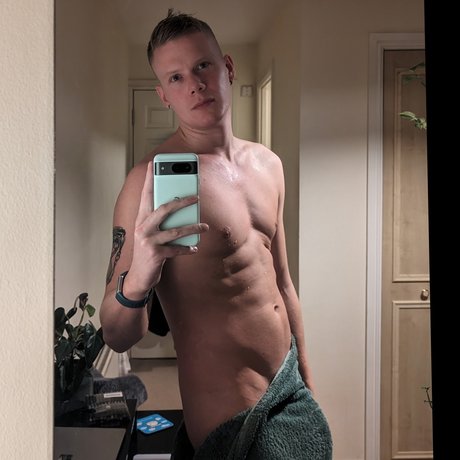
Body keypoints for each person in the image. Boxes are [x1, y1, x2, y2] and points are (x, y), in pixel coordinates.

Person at [100, 10, 332, 459]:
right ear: (163, 95)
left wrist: (307, 384)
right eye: (176, 77)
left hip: (290, 394)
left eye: (202, 66)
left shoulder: (268, 164)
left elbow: (283, 284)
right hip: (230, 418)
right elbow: (115, 334)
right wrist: (139, 278)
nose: (194, 84)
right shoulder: (145, 184)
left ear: (227, 67)